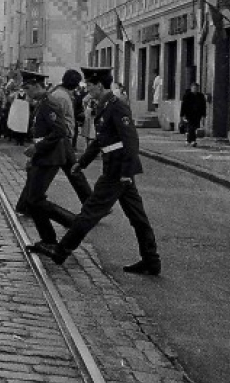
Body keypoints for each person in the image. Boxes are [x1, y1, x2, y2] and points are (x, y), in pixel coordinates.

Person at [29, 67, 161, 276]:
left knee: (89, 213)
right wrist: (82, 163)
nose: (87, 88)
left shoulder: (117, 106)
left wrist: (126, 172)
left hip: (117, 172)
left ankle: (61, 251)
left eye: (90, 85)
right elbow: (101, 140)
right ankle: (151, 261)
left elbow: (131, 141)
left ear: (99, 85)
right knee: (138, 217)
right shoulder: (104, 105)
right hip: (116, 169)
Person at [17, 71, 78, 247]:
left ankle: (70, 223)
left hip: (50, 157)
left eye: (28, 88)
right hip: (43, 156)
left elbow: (60, 131)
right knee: (33, 199)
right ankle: (49, 238)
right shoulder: (42, 103)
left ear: (37, 85)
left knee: (34, 199)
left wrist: (37, 148)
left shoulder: (49, 103)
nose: (26, 92)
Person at [45, 69, 93, 206]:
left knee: (47, 172)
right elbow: (57, 119)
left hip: (62, 137)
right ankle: (90, 203)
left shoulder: (62, 93)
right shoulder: (61, 96)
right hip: (61, 138)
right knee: (74, 171)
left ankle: (26, 202)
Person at [180, 82, 207, 147]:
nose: (195, 89)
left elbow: (203, 105)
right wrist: (182, 114)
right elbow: (183, 105)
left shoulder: (200, 96)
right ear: (191, 88)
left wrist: (204, 114)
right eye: (194, 88)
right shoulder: (187, 95)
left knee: (194, 127)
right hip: (189, 114)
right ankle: (193, 140)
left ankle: (188, 140)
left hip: (197, 114)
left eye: (197, 88)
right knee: (191, 127)